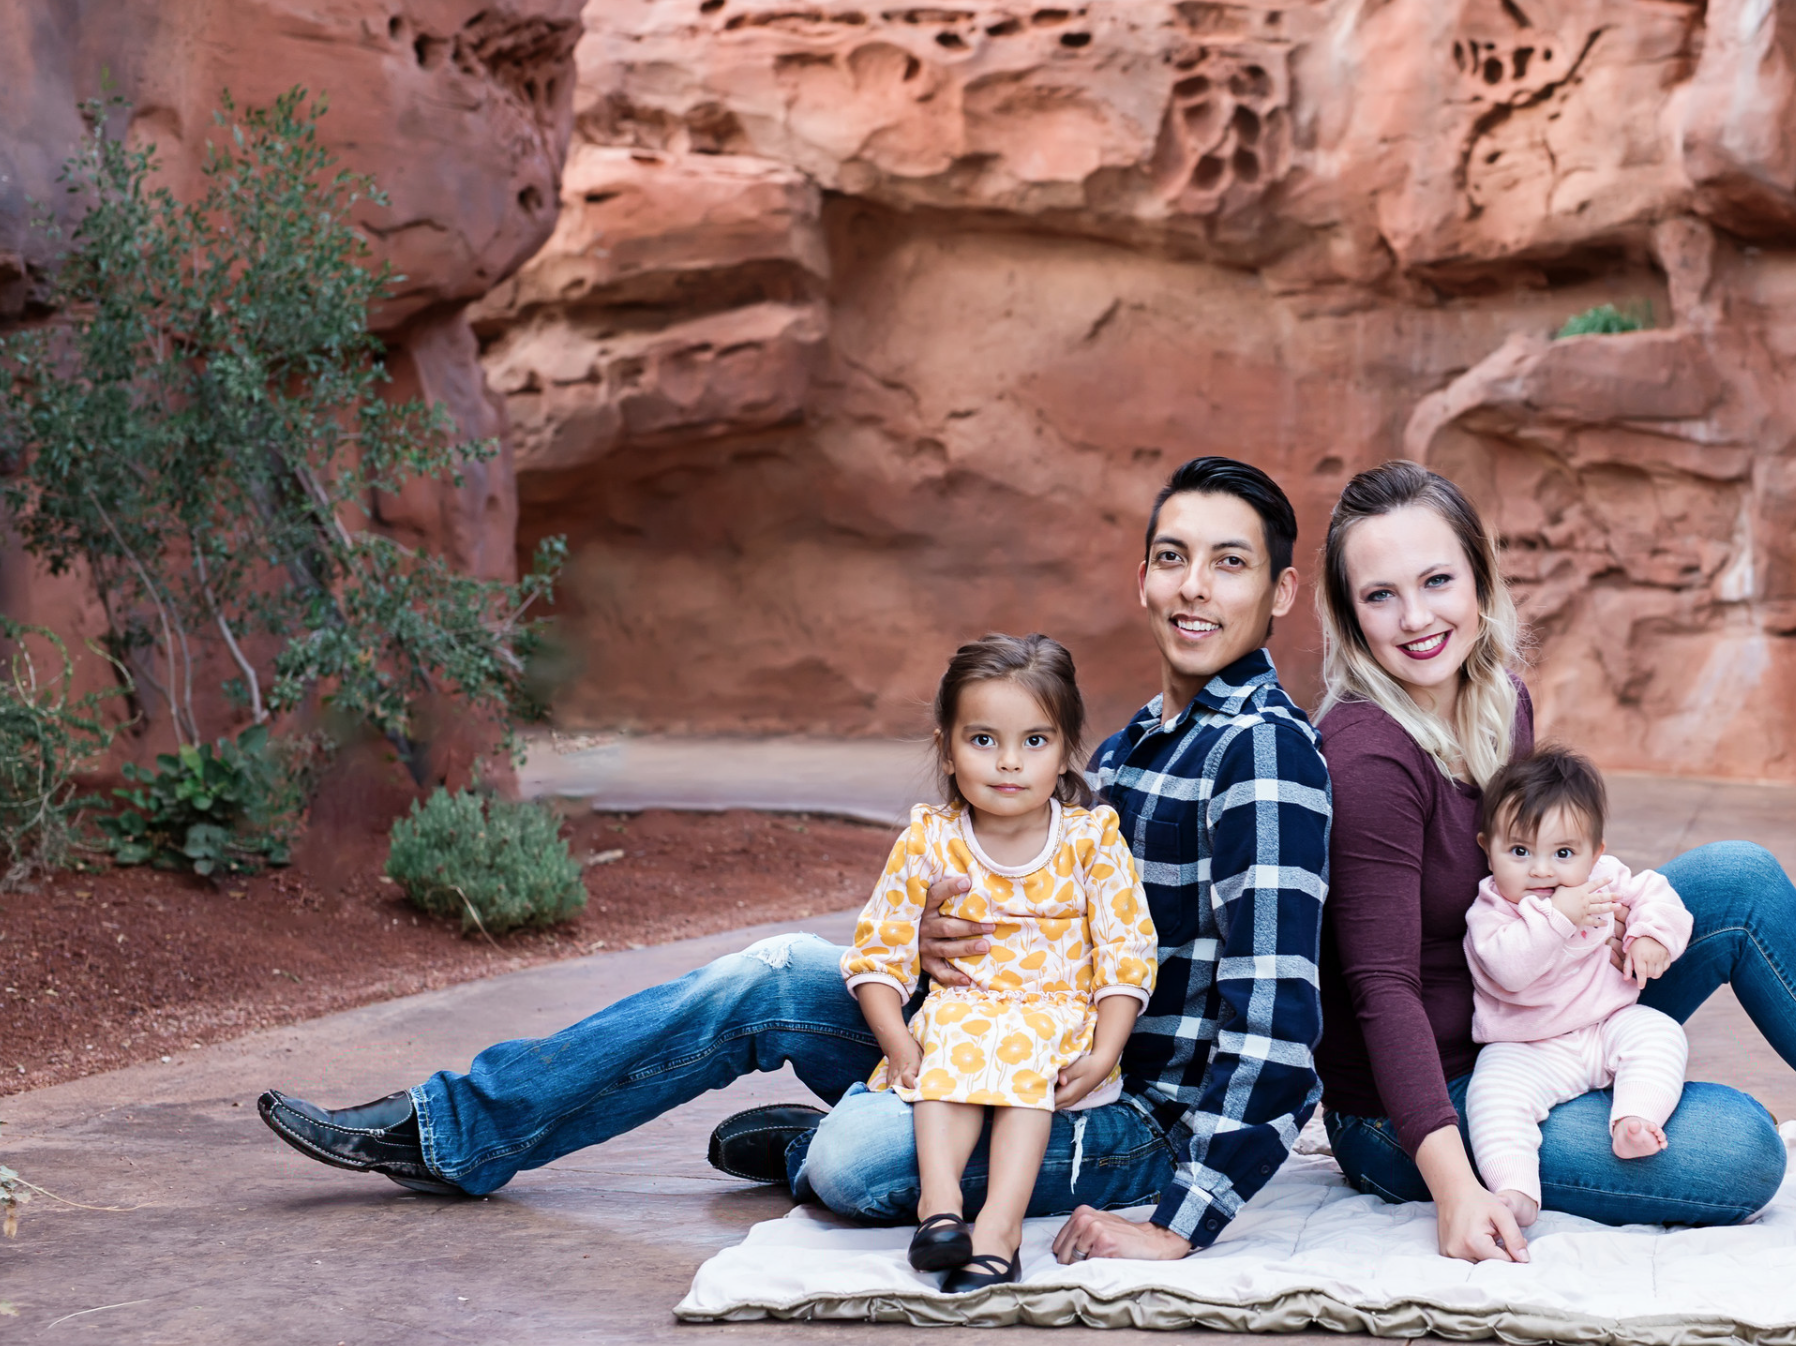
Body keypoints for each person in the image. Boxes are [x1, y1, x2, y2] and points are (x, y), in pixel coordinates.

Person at [255, 456, 1331, 1267]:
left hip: (1118, 1111)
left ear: (1280, 594)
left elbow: (1282, 1035)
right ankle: (456, 1129)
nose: (1196, 587)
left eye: (1230, 564)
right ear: (1141, 578)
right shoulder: (1137, 738)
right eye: (1176, 557)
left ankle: (822, 1145)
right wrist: (923, 939)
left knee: (856, 1166)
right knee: (771, 973)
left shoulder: (1263, 758)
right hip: (997, 1029)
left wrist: (1180, 1227)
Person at [1313, 460, 1796, 1264]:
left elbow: (1540, 871)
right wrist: (1454, 1188)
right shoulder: (1370, 758)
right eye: (1380, 595)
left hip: (1537, 1007)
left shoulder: (1498, 699)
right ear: (1349, 614)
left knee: (1738, 880)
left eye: (1437, 580)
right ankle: (1476, 1151)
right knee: (1742, 1149)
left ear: (1480, 577)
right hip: (1428, 1102)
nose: (1415, 618)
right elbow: (1381, 990)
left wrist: (1623, 919)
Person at [843, 634, 1157, 1292]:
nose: (1009, 763)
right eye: (983, 740)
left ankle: (999, 1229)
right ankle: (940, 1210)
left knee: (1023, 1055)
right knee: (953, 1032)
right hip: (961, 1018)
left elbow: (1126, 954)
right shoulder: (931, 840)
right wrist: (900, 1043)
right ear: (947, 749)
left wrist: (1104, 1050)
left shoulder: (1089, 841)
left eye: (1034, 742)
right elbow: (878, 951)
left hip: (1054, 1029)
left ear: (1066, 750)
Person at [1464, 745, 1692, 1233]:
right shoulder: (1491, 912)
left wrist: (1650, 934)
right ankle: (1516, 1189)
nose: (1542, 871)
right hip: (1527, 1047)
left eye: (1564, 853)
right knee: (1492, 1096)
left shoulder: (1604, 880)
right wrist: (1558, 919)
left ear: (1596, 853)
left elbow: (1657, 893)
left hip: (1605, 1024)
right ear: (1488, 848)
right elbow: (1509, 969)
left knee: (1659, 1033)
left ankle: (1634, 1119)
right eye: (1520, 851)